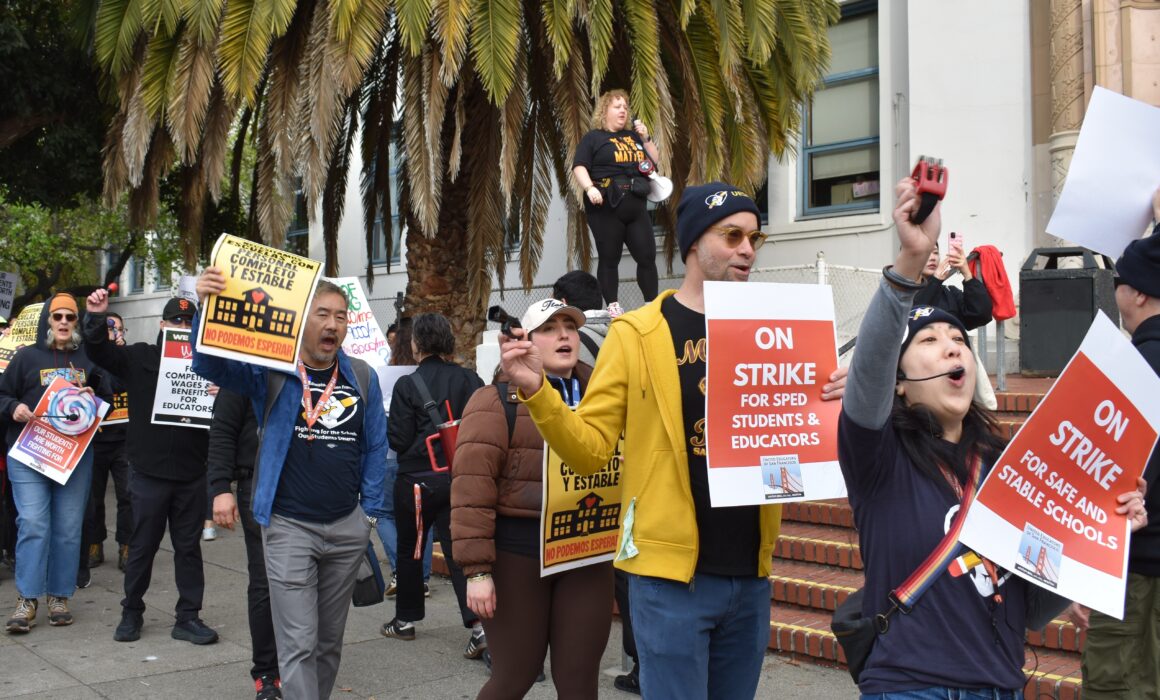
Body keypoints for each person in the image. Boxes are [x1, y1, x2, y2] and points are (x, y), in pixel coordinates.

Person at [501, 183, 847, 698]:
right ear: (692, 243)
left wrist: (834, 400)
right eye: (732, 235)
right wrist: (539, 393)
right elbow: (591, 448)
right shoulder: (637, 333)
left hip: (750, 576)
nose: (747, 249)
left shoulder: (776, 329)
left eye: (755, 237)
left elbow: (798, 435)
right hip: (668, 581)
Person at [838, 177, 1148, 697]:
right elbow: (868, 370)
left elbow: (1032, 605)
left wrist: (1107, 534)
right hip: (910, 686)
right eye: (930, 341)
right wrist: (911, 260)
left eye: (959, 340)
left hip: (1001, 685)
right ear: (900, 382)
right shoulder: (878, 456)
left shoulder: (1004, 462)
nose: (952, 348)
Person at [191, 273, 386, 700]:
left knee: (328, 643)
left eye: (340, 316)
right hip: (288, 529)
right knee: (298, 643)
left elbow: (376, 448)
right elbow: (208, 365)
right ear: (301, 321)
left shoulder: (363, 377)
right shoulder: (271, 374)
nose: (333, 324)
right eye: (322, 314)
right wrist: (204, 309)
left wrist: (367, 514)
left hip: (345, 528)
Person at [453, 298, 609, 698]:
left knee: (579, 684)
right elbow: (471, 491)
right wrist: (478, 573)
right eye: (549, 328)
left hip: (587, 550)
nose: (563, 335)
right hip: (519, 555)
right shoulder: (493, 401)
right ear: (526, 341)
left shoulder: (605, 396)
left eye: (570, 327)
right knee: (514, 678)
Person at [82, 293, 218, 645]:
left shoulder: (210, 365)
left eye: (190, 323)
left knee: (189, 548)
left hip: (191, 473)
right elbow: (100, 354)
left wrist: (222, 390)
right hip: (148, 474)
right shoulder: (140, 356)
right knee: (142, 546)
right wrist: (97, 318)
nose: (183, 328)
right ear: (162, 324)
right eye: (176, 321)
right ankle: (132, 612)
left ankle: (188, 617)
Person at [1067, 189, 1160, 699]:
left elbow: (1109, 475)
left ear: (1139, 295)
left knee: (1117, 687)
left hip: (1136, 569)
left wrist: (1088, 572)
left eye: (1120, 281)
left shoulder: (1130, 370)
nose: (1116, 290)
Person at [550, 270, 638, 693]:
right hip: (624, 471)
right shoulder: (623, 332)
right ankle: (640, 661)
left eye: (564, 319)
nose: (561, 335)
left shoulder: (585, 352)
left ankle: (636, 661)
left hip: (587, 475)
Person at [381, 313, 484, 657]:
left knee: (411, 549)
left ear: (416, 344)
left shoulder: (407, 385)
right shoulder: (472, 379)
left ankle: (405, 621)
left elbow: (397, 439)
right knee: (462, 554)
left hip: (416, 483)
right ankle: (479, 628)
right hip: (460, 481)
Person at [0, 293, 100, 632]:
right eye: (56, 316)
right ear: (48, 321)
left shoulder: (89, 357)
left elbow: (111, 395)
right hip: (30, 453)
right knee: (32, 523)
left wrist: (95, 396)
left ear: (76, 322)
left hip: (73, 457)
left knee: (69, 529)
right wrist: (13, 407)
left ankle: (58, 595)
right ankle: (27, 599)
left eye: (69, 317)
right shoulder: (26, 357)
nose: (62, 322)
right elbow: (2, 394)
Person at [208, 388, 281, 700]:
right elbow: (222, 430)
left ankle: (300, 660)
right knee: (265, 580)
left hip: (304, 485)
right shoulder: (245, 370)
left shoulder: (310, 365)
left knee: (307, 581)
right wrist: (220, 487)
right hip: (258, 483)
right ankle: (267, 673)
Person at [571, 89, 661, 317]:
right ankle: (612, 305)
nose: (623, 110)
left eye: (625, 107)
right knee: (610, 257)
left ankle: (651, 304)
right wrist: (590, 187)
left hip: (636, 203)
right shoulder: (594, 138)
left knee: (647, 256)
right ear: (605, 111)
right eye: (617, 106)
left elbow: (653, 163)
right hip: (607, 205)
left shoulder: (632, 137)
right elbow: (579, 165)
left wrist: (646, 139)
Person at [372, 319, 435, 599]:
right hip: (423, 456)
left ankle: (402, 571)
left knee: (382, 513)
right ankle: (420, 576)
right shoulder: (427, 375)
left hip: (389, 453)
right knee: (424, 518)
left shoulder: (385, 374)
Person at [82, 312, 132, 579]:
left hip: (124, 440)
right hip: (95, 438)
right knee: (93, 498)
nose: (115, 332)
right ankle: (94, 543)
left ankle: (126, 544)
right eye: (110, 328)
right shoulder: (89, 359)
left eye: (119, 328)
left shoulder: (128, 358)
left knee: (127, 496)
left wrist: (120, 356)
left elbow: (124, 385)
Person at [913, 239, 993, 331]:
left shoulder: (950, 292)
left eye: (935, 252)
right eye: (925, 253)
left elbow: (981, 316)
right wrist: (935, 281)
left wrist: (967, 274)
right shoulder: (899, 293)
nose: (932, 258)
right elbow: (912, 316)